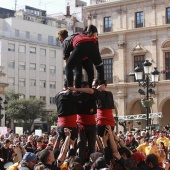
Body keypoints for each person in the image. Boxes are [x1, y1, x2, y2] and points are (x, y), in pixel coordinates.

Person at [76, 81, 97, 165]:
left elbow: (94, 110)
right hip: (81, 124)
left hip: (91, 124)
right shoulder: (77, 97)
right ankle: (80, 165)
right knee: (82, 146)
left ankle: (92, 165)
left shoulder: (92, 97)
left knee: (92, 146)